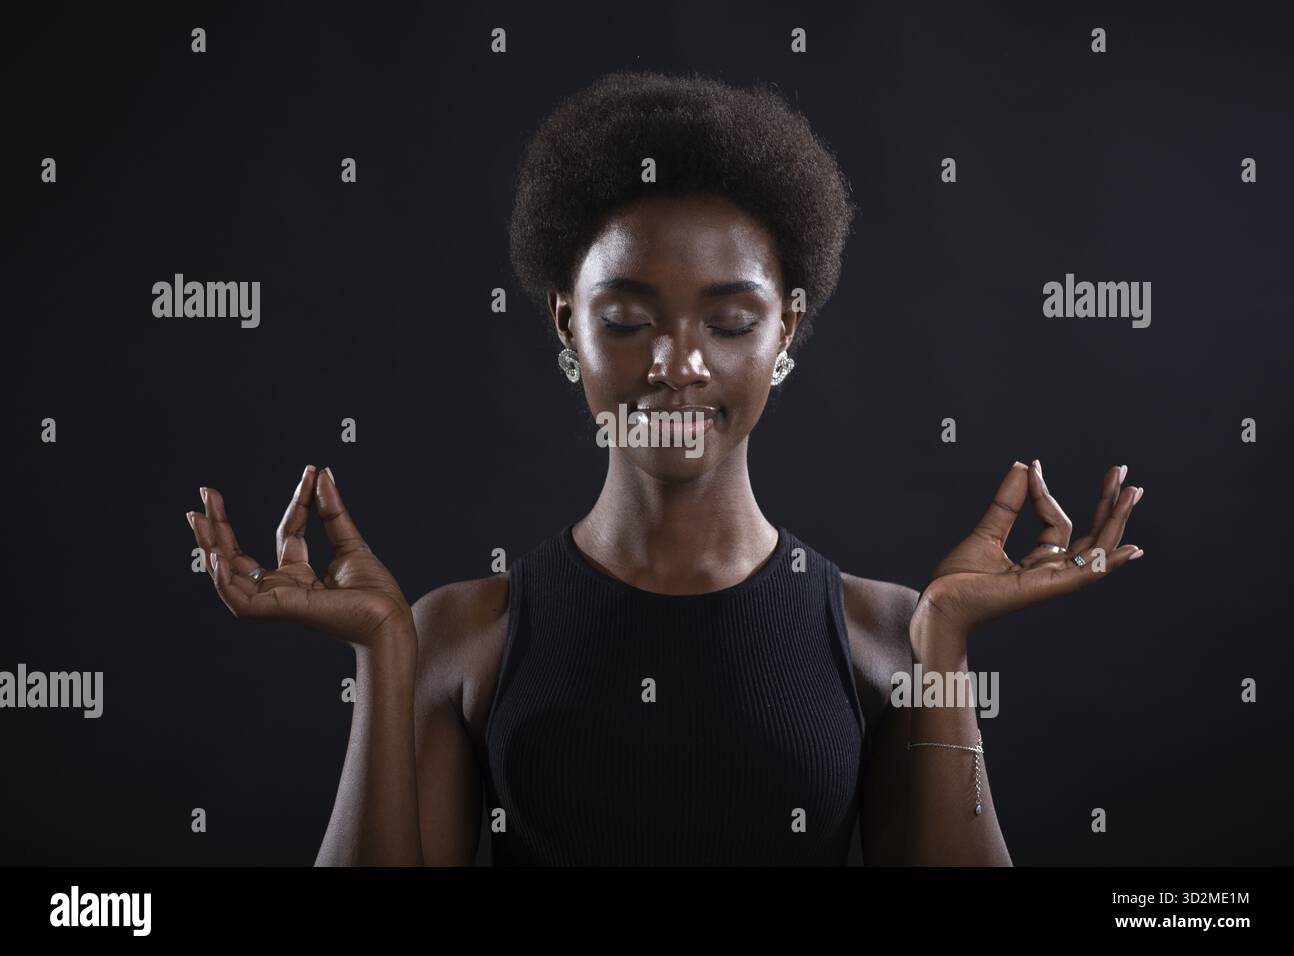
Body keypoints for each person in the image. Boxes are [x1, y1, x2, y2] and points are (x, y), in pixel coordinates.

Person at [184, 70, 1146, 866]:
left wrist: (948, 651)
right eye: (628, 320)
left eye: (728, 322)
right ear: (567, 323)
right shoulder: (463, 633)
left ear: (785, 333)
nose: (676, 362)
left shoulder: (889, 632)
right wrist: (383, 656)